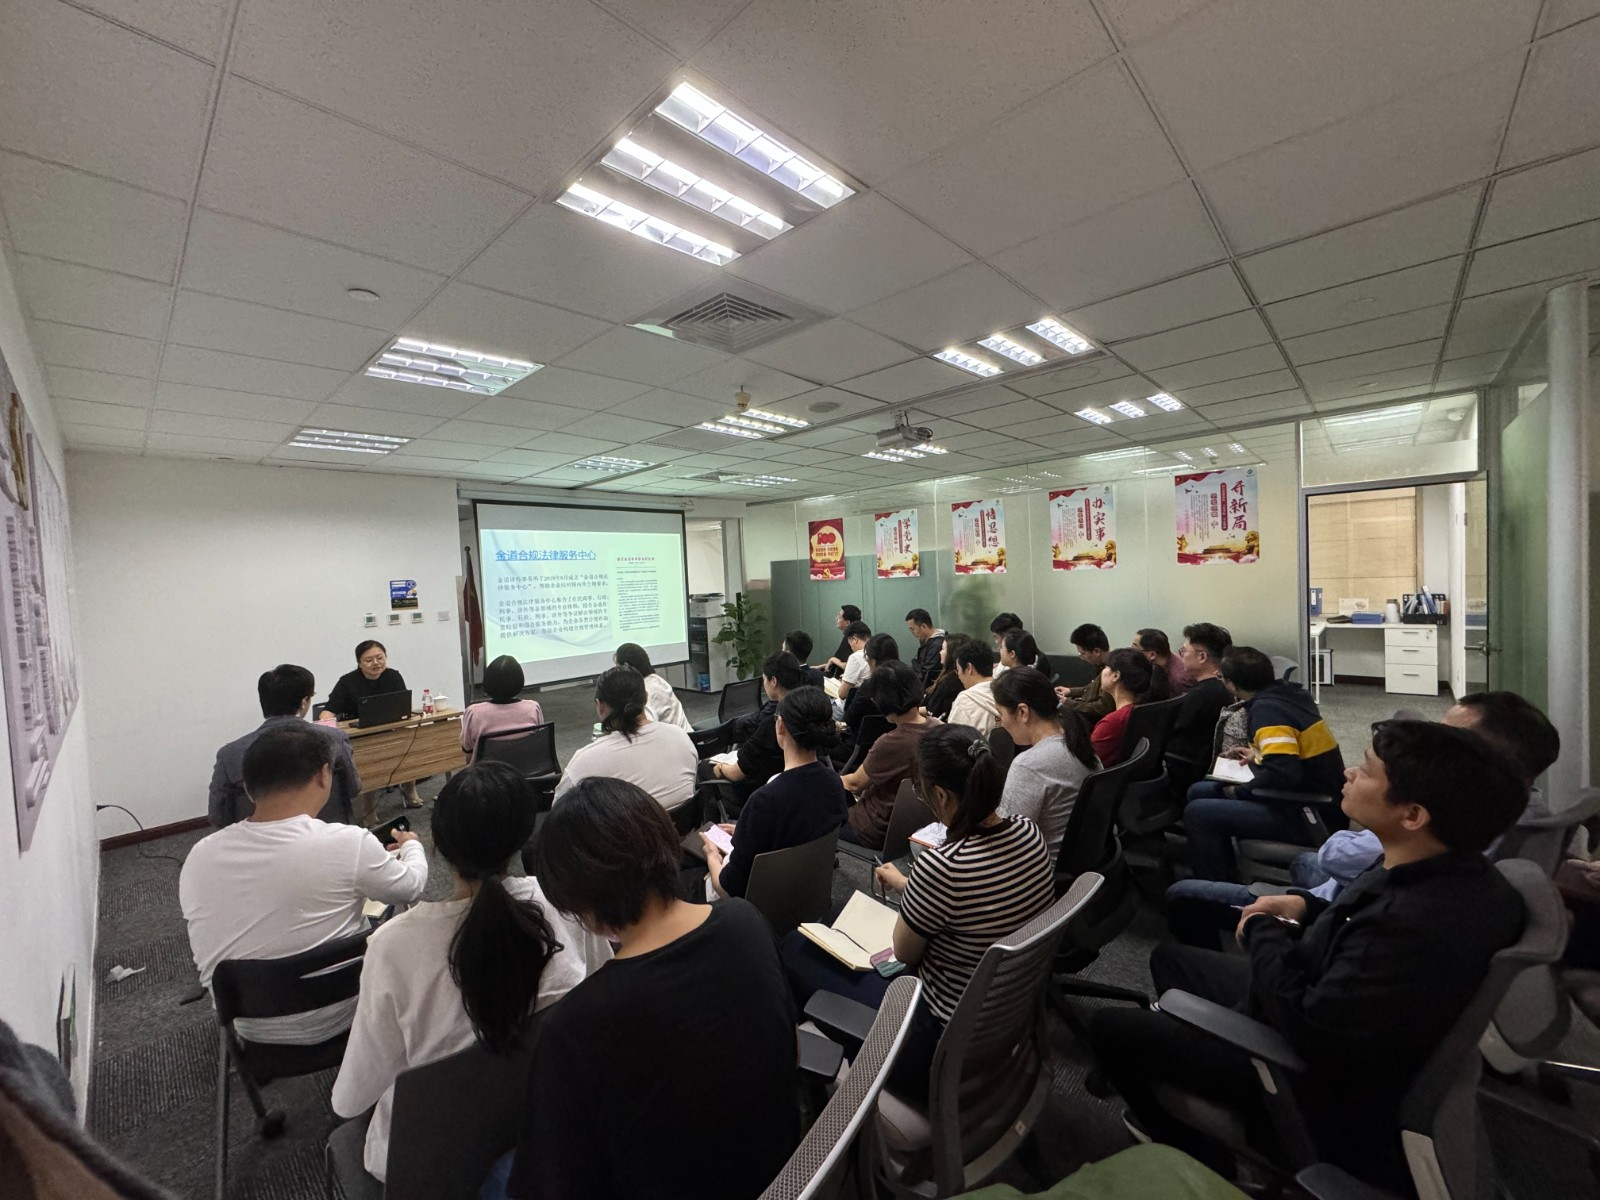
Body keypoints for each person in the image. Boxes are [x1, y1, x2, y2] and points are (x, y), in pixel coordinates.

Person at [1089, 722, 1529, 1192]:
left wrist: (1263, 930)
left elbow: (1306, 1024)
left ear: (1413, 814)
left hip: (1304, 1069)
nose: (1350, 772)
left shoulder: (1407, 924)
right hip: (1326, 982)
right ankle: (1193, 1063)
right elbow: (1355, 925)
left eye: (1368, 771)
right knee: (1173, 961)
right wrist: (1306, 906)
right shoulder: (1452, 871)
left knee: (1110, 1028)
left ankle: (1217, 1154)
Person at [489, 778, 799, 1200]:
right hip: (783, 1171)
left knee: (501, 1175)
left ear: (580, 906)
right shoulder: (746, 919)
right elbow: (787, 1047)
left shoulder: (578, 1022)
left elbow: (551, 1181)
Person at [330, 763, 610, 1180]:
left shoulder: (393, 946)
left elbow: (351, 1099)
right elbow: (600, 988)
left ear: (438, 846)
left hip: (435, 1158)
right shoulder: (563, 901)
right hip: (547, 1115)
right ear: (523, 836)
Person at [1166, 689, 1560, 950]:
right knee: (1303, 861)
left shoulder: (1434, 818)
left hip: (1334, 916)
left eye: (1447, 737)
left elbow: (1339, 859)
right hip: (1340, 899)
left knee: (1185, 891)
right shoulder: (1521, 812)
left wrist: (1267, 934)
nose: (1432, 741)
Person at [783, 725, 1055, 1102]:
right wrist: (908, 886)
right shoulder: (1029, 833)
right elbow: (981, 897)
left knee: (794, 947)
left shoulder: (943, 866)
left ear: (942, 795)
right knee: (833, 921)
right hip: (999, 1018)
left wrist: (920, 887)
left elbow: (905, 953)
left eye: (924, 793)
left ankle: (807, 1078)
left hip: (931, 1040)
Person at [179, 726, 428, 1045]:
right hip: (346, 1012)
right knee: (398, 907)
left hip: (249, 1027)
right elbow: (412, 886)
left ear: (249, 789)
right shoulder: (349, 843)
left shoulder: (199, 856)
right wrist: (411, 845)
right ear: (324, 775)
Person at [1182, 646, 1345, 882]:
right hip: (1312, 793)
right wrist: (1257, 753)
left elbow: (1283, 774)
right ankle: (1222, 866)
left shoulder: (1267, 711)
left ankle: (1215, 885)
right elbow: (1292, 750)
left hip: (1311, 812)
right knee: (1199, 790)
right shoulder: (1288, 695)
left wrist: (1239, 792)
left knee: (1198, 813)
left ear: (1232, 685)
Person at [704, 686, 850, 900]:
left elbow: (728, 888)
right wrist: (746, 832)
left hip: (750, 906)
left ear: (780, 725)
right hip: (802, 895)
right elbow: (801, 833)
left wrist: (711, 856)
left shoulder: (765, 800)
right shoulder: (834, 784)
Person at [209, 664, 361, 827]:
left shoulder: (229, 754)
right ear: (304, 702)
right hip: (328, 831)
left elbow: (218, 815)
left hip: (258, 839)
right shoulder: (334, 738)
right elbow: (353, 789)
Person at [994, 666, 1099, 864]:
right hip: (1084, 862)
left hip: (1041, 869)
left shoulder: (1029, 765)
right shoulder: (1080, 743)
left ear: (1022, 712)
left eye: (1000, 715)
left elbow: (1005, 841)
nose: (1001, 722)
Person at [555, 666, 697, 813]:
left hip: (624, 829)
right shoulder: (680, 737)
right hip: (683, 827)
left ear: (600, 705)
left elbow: (558, 813)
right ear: (645, 698)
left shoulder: (584, 762)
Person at [840, 660, 940, 848]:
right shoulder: (938, 728)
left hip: (873, 828)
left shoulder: (890, 742)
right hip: (917, 825)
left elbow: (854, 783)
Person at [323, 640, 423, 811]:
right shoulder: (347, 682)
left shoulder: (393, 676)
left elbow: (403, 704)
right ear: (359, 663)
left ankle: (410, 789)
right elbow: (329, 710)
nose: (376, 663)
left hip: (390, 728)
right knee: (369, 762)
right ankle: (368, 807)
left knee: (408, 744)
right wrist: (326, 725)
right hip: (360, 735)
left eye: (380, 658)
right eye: (369, 660)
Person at [707, 652, 804, 806]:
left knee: (705, 771)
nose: (764, 683)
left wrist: (720, 767)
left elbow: (735, 774)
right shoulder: (806, 713)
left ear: (773, 681)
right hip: (793, 790)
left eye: (764, 679)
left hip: (757, 796)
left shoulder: (771, 725)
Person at [1166, 623, 1234, 778]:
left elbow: (1172, 734)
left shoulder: (1201, 696)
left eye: (1184, 651)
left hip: (1187, 770)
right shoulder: (1227, 685)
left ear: (1202, 656)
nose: (1181, 656)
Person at [460, 655, 546, 755]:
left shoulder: (474, 713)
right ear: (519, 680)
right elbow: (540, 739)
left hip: (488, 765)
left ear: (487, 681)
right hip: (527, 764)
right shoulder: (533, 708)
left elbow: (467, 749)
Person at [1089, 648, 1153, 768]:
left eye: (1106, 667)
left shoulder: (1114, 721)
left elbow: (1087, 763)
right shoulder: (1142, 711)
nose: (1102, 671)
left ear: (1116, 676)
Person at [614, 643, 691, 730]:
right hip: (684, 735)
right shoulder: (657, 680)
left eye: (617, 667)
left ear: (626, 667)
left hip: (674, 737)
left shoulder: (646, 692)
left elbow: (646, 730)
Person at [839, 631, 898, 738]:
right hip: (900, 737)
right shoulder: (907, 679)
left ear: (873, 661)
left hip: (864, 741)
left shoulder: (869, 686)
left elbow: (848, 719)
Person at [1059, 623, 1114, 725]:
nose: (1081, 657)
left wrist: (1068, 703)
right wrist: (1070, 691)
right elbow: (1093, 687)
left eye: (1083, 653)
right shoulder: (1101, 665)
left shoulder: (1111, 671)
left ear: (1096, 651)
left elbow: (1103, 707)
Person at [946, 639, 999, 734]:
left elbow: (953, 737)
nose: (959, 676)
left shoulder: (965, 700)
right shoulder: (1007, 691)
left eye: (958, 670)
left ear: (969, 668)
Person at [923, 632, 971, 720]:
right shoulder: (949, 676)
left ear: (951, 653)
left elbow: (931, 711)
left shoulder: (949, 682)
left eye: (943, 649)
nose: (940, 652)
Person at [832, 619, 873, 713]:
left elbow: (842, 695)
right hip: (872, 709)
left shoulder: (856, 657)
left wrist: (843, 683)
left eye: (849, 643)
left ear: (854, 639)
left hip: (850, 709)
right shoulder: (879, 653)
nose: (850, 646)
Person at [1134, 628, 1190, 697]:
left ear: (1152, 655)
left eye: (1135, 648)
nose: (1132, 652)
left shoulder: (1178, 680)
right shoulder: (1159, 666)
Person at [904, 608, 946, 689]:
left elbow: (927, 674)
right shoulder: (926, 641)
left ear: (923, 626)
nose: (912, 632)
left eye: (913, 629)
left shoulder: (936, 645)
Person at [823, 604, 863, 677]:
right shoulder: (850, 636)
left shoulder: (852, 639)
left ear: (847, 622)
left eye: (839, 616)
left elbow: (849, 666)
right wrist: (818, 667)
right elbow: (840, 661)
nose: (836, 618)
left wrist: (833, 659)